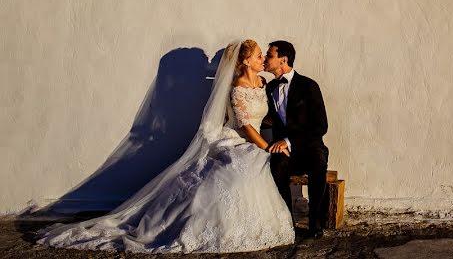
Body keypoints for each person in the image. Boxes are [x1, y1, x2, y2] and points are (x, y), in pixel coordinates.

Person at [37, 40, 295, 253]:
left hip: (253, 138)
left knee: (251, 164)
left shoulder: (262, 84)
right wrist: (267, 146)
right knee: (240, 166)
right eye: (260, 55)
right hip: (237, 138)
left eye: (265, 55)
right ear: (246, 61)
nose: (263, 59)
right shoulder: (237, 87)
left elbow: (264, 116)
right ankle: (205, 223)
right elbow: (245, 125)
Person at [264, 40, 330, 238]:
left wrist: (290, 141)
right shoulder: (268, 88)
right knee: (276, 165)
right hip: (285, 151)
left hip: (309, 146)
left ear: (283, 59)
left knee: (318, 161)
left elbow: (321, 126)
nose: (266, 59)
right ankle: (287, 223)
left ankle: (315, 224)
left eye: (269, 55)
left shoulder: (309, 86)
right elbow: (268, 119)